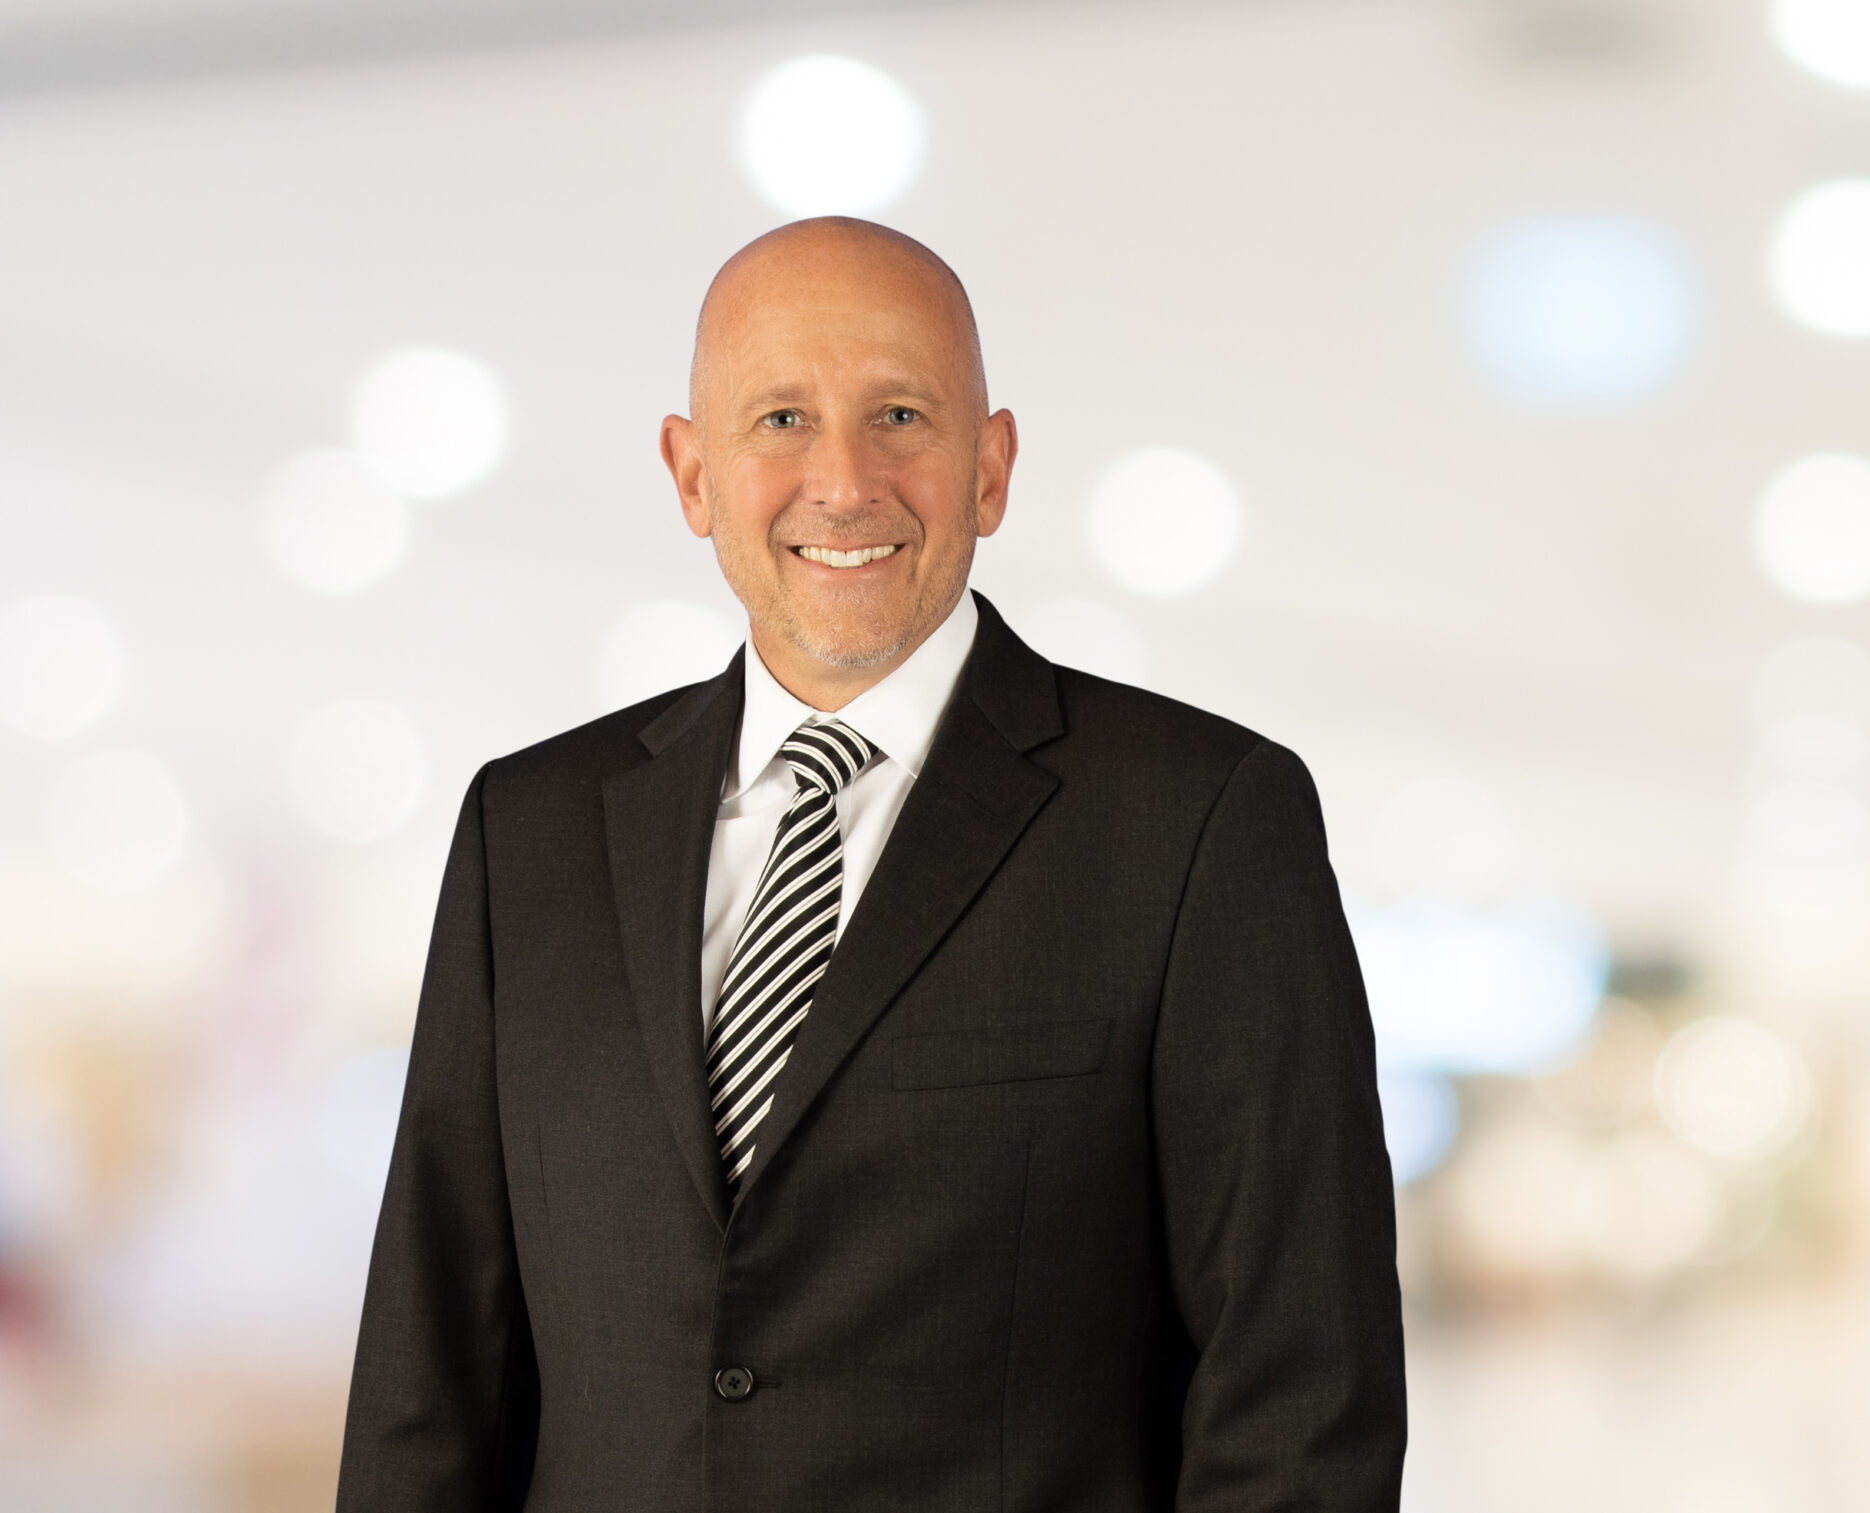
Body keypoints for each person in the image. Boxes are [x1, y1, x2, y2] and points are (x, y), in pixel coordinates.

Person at [336, 218, 1405, 1512]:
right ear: (690, 475)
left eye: (900, 413)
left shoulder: (1199, 821)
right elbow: (430, 1373)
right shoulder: (531, 830)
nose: (844, 479)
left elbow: (1302, 1390)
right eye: (779, 418)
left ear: (992, 465)